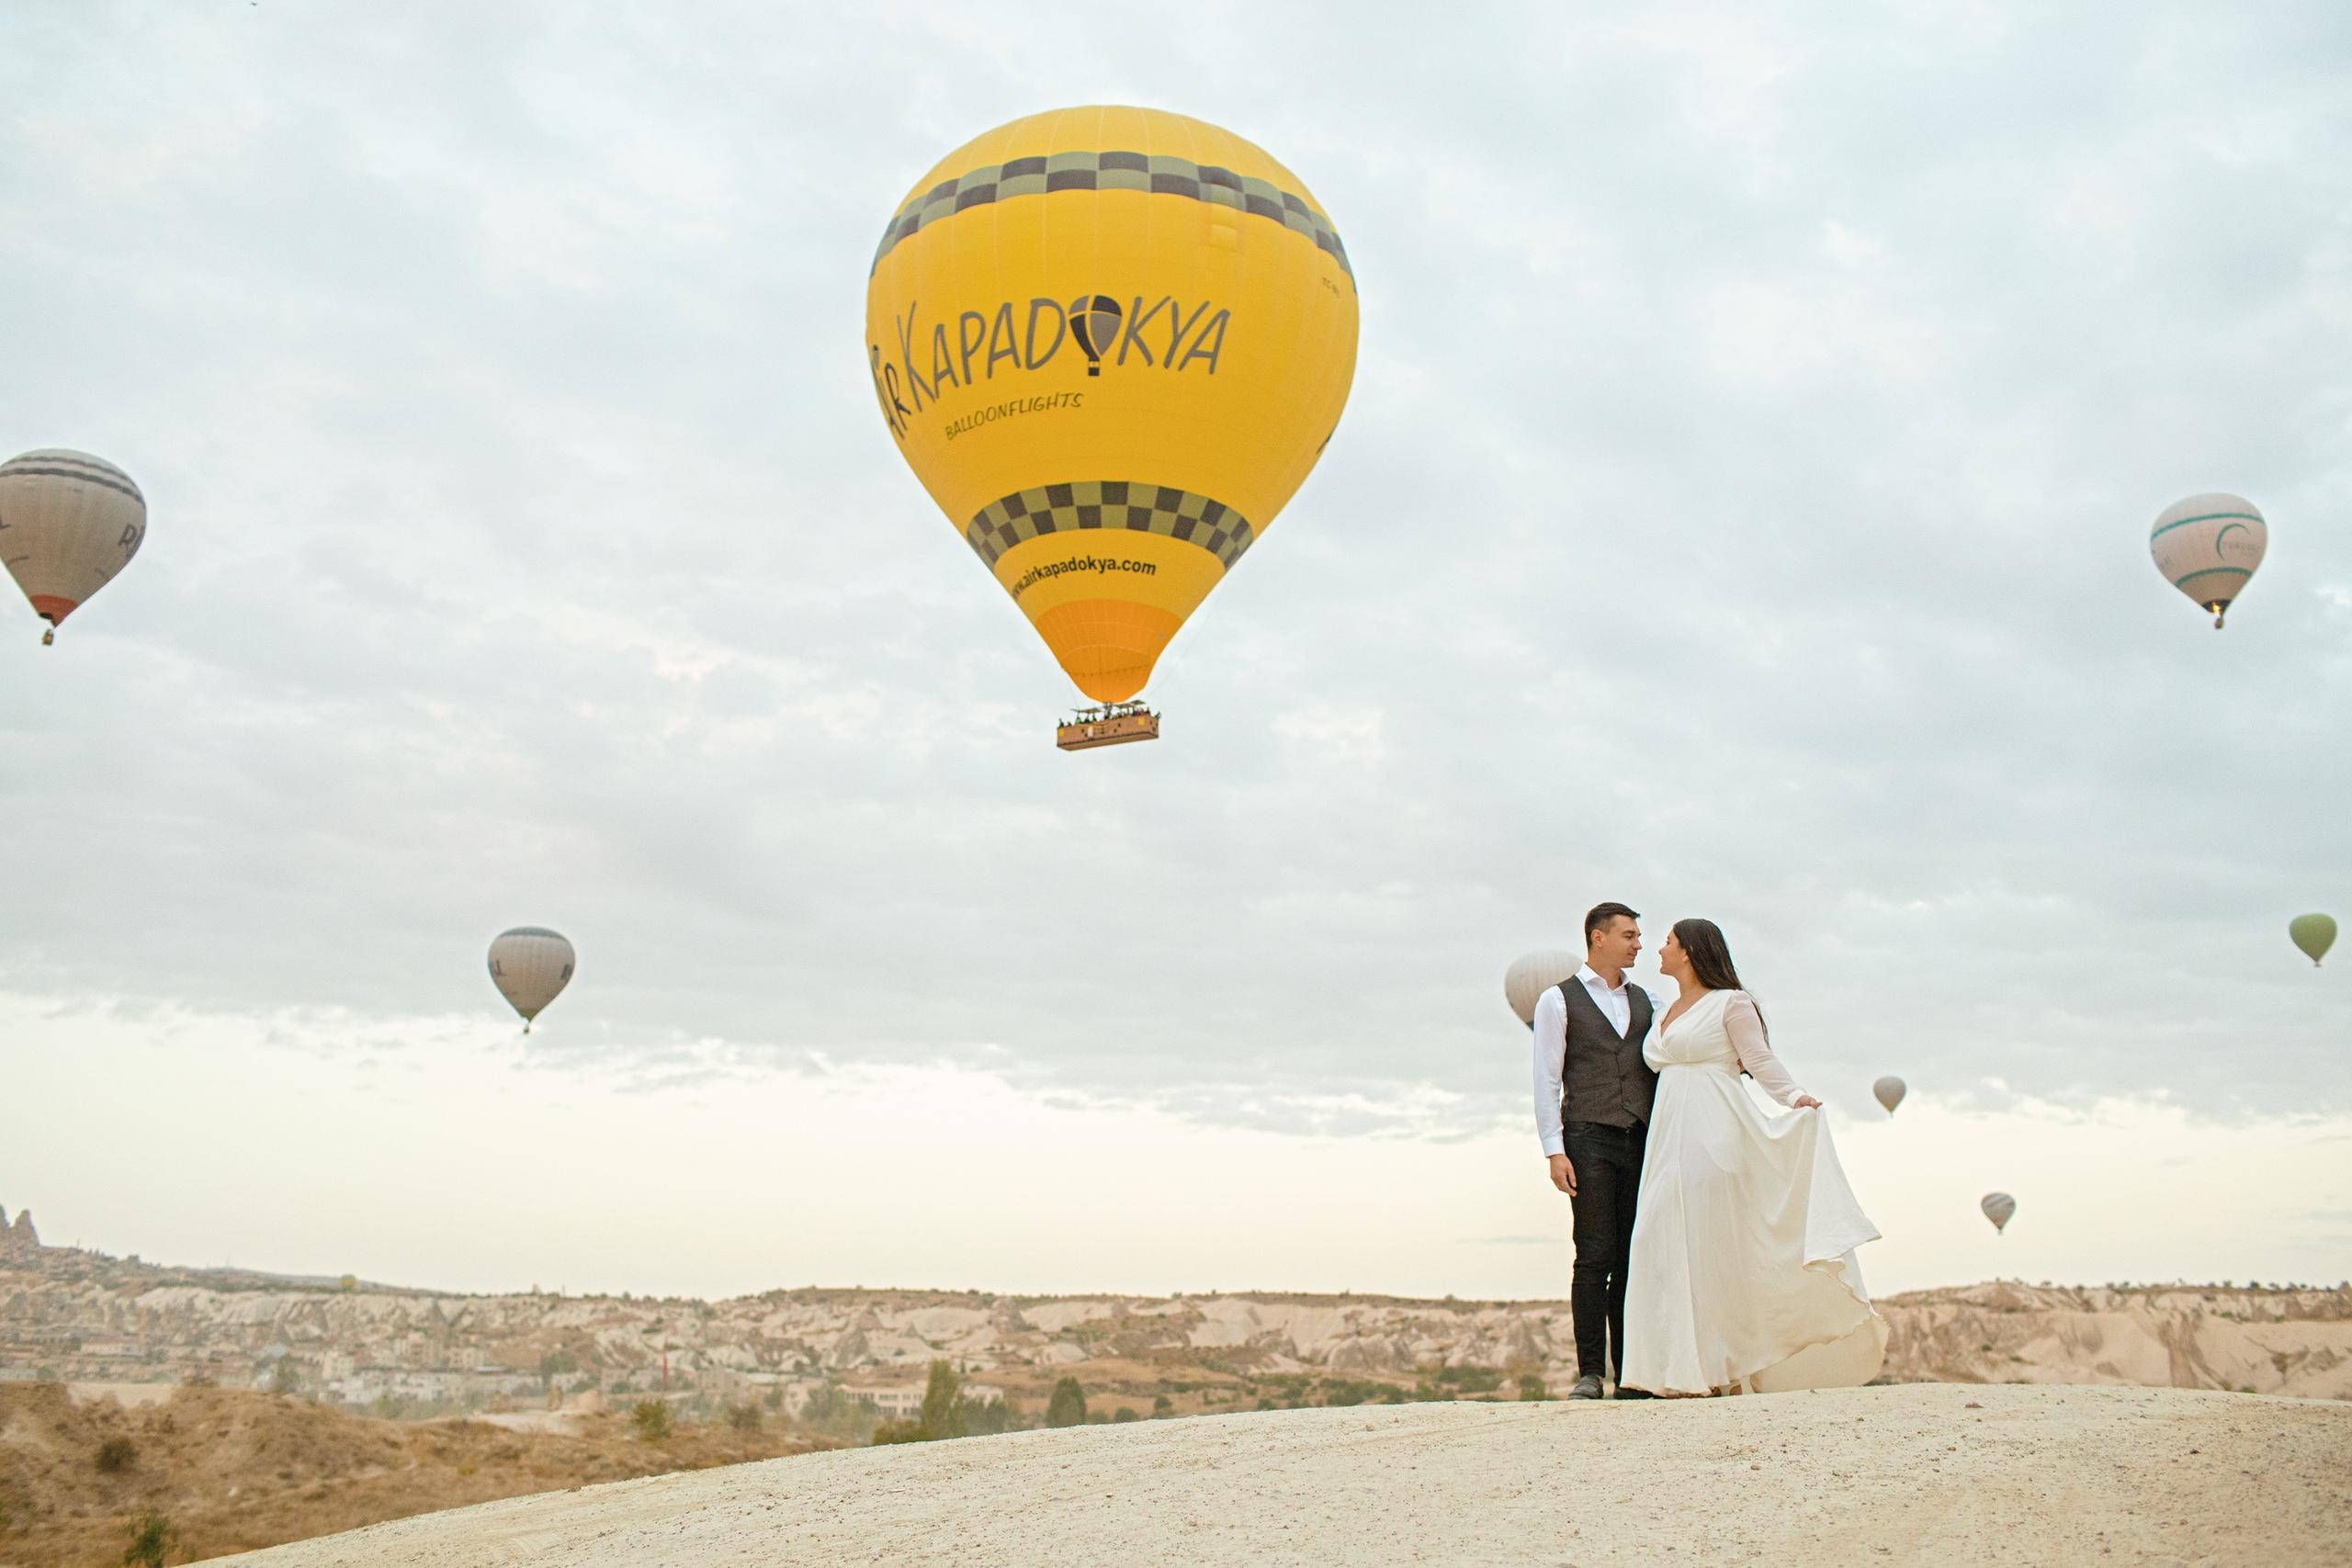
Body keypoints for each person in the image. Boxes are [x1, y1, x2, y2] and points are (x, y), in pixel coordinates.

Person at [1616, 918, 1887, 1396]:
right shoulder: (1665, 1010)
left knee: (1707, 1247)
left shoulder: (1731, 1003)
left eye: (1668, 942)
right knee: (1660, 1240)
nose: (1659, 949)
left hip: (1715, 1130)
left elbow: (1758, 1059)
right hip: (1667, 1138)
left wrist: (1795, 1097)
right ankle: (1680, 1369)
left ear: (1690, 951)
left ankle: (1722, 1370)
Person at [1532, 901, 1657, 1400]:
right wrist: (1553, 1149)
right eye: (1629, 935)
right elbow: (1546, 1078)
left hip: (1640, 1139)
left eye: (1639, 936)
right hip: (1587, 1137)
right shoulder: (1557, 1000)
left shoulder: (1648, 1000)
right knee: (1594, 1255)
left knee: (1631, 1258)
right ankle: (1590, 1373)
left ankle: (1631, 1374)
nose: (1638, 945)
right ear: (1597, 937)